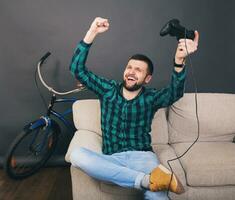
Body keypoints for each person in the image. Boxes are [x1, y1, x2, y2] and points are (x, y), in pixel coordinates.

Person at [69, 17, 199, 200]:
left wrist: (179, 61)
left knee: (158, 197)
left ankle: (149, 180)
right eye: (129, 67)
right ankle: (146, 180)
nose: (131, 71)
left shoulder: (151, 97)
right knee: (77, 156)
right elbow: (77, 70)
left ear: (147, 79)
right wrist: (92, 33)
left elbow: (174, 93)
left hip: (143, 158)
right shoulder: (108, 90)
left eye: (138, 70)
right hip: (112, 158)